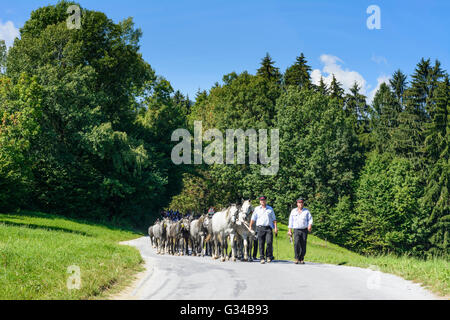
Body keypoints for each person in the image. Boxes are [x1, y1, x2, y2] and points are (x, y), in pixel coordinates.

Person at [249, 196, 278, 264]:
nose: (262, 201)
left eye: (264, 200)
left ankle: (268, 256)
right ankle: (262, 257)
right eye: (261, 200)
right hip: (260, 228)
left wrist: (275, 228)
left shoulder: (270, 209)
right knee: (261, 243)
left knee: (269, 242)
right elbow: (253, 218)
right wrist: (250, 226)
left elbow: (274, 219)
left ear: (266, 201)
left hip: (268, 228)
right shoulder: (257, 209)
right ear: (260, 201)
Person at [287, 198, 313, 265]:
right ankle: (296, 258)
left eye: (301, 203)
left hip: (304, 230)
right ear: (297, 204)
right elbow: (290, 221)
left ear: (303, 203)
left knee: (303, 244)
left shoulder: (306, 211)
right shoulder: (293, 211)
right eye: (299, 203)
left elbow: (310, 219)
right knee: (296, 243)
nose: (300, 204)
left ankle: (301, 258)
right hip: (296, 230)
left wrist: (309, 225)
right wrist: (289, 230)